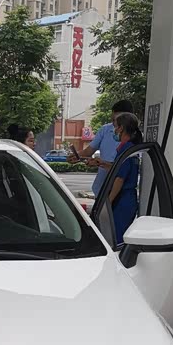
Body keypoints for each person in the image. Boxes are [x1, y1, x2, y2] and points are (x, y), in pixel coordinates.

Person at [68, 100, 134, 194]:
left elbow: (120, 174)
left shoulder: (130, 144)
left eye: (117, 122)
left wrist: (110, 199)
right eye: (113, 121)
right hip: (101, 190)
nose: (114, 128)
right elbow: (88, 151)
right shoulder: (105, 130)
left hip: (119, 193)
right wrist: (78, 156)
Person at [110, 111, 142, 244]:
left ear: (121, 128)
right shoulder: (131, 149)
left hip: (122, 200)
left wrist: (108, 201)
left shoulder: (126, 150)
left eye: (115, 126)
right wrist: (102, 163)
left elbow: (120, 178)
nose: (114, 130)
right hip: (128, 199)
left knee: (117, 240)